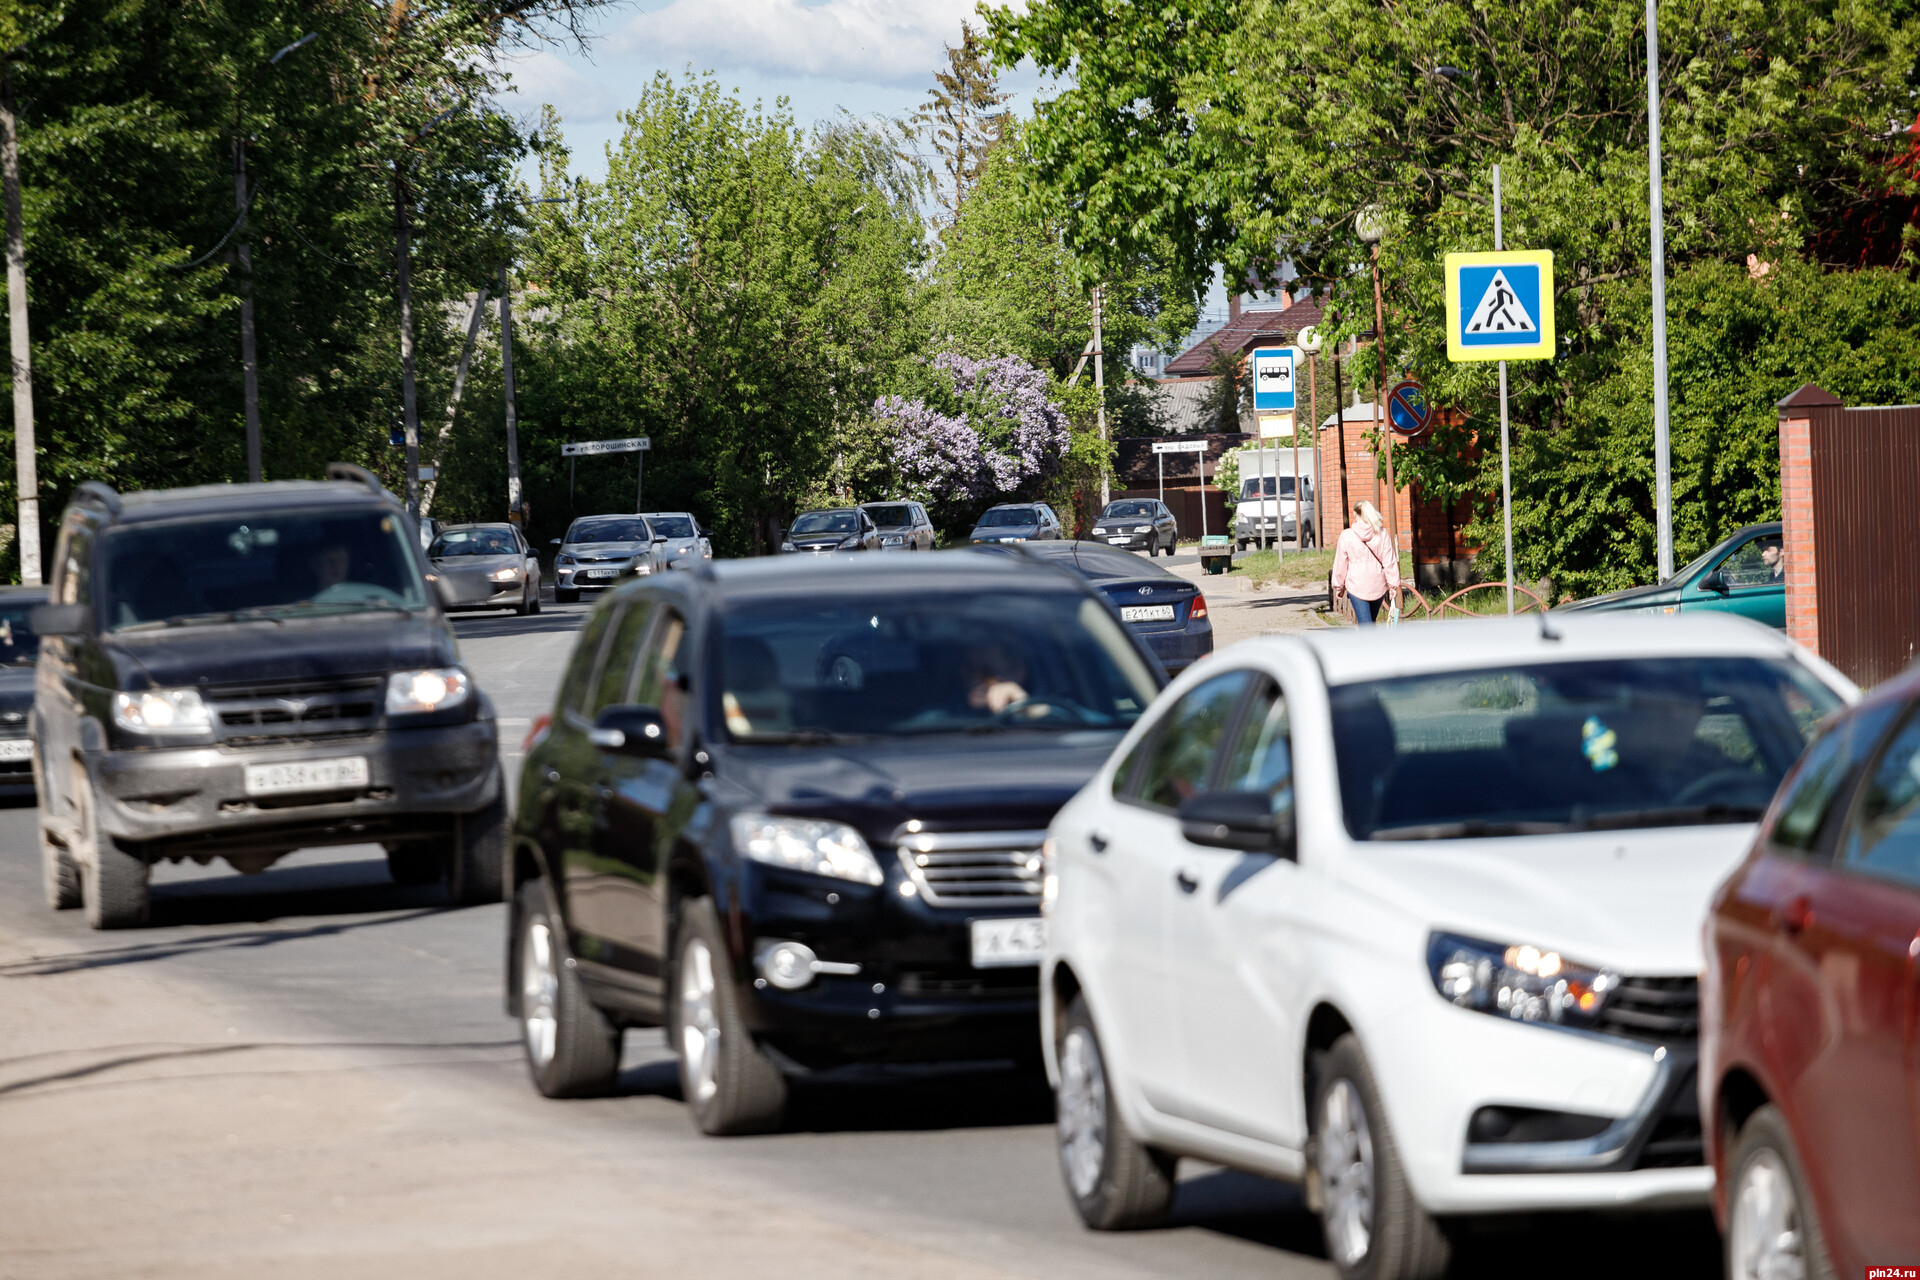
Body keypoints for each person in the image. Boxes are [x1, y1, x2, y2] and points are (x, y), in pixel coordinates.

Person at [1330, 500, 1401, 627]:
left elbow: (1340, 563)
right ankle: (1371, 646)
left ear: (1354, 513)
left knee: (1366, 626)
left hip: (1356, 586)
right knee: (1370, 624)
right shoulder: (1382, 534)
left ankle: (1367, 646)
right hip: (1378, 585)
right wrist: (1393, 585)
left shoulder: (1346, 535)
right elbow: (1389, 561)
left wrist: (1339, 586)